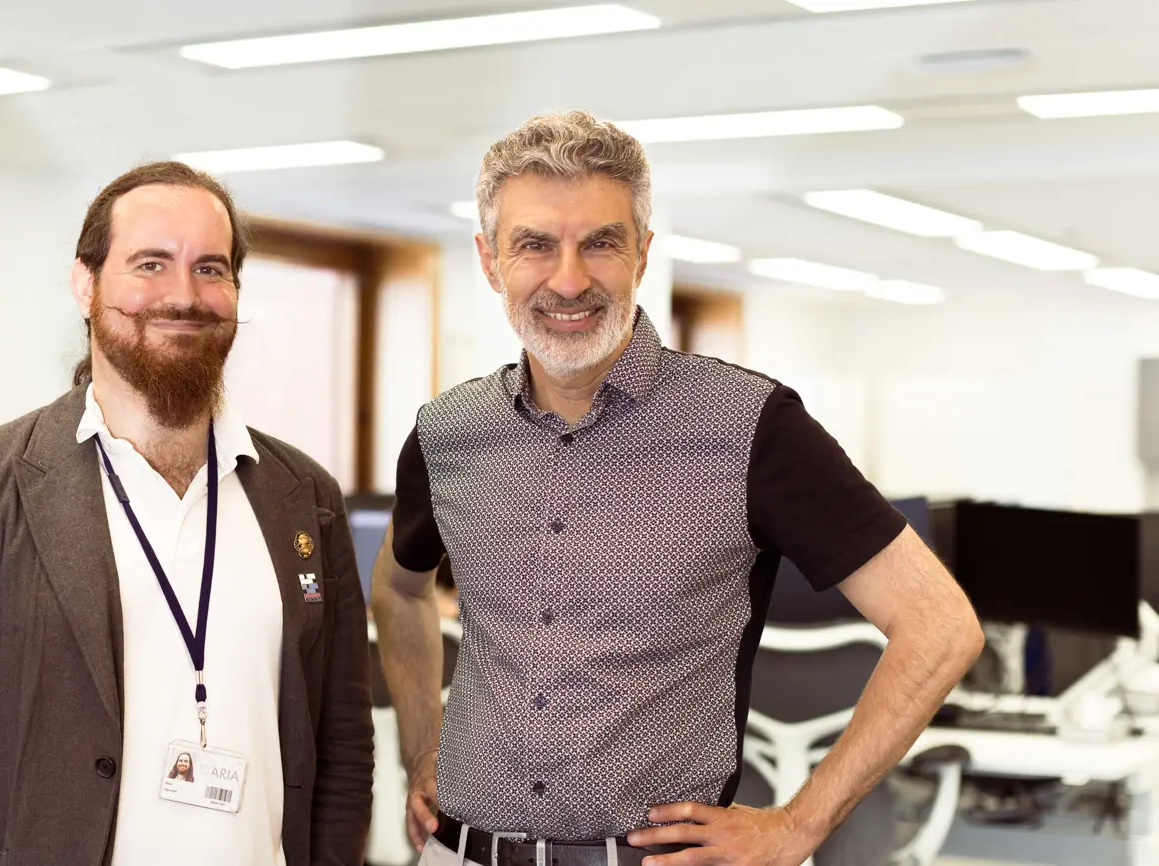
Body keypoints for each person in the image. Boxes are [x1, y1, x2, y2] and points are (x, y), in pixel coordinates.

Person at [370, 111, 984, 866]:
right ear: (490, 261)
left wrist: (800, 823)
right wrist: (420, 750)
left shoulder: (751, 426)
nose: (569, 279)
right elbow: (398, 590)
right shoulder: (447, 432)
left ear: (642, 255)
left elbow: (941, 626)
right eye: (534, 244)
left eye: (601, 241)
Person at [0, 161, 373, 866]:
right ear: (86, 283)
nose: (183, 295)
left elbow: (343, 744)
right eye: (150, 264)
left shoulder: (305, 495)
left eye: (211, 269)